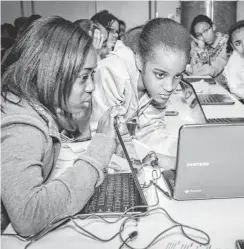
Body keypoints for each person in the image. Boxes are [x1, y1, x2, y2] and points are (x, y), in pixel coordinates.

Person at [1, 17, 122, 235]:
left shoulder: (32, 104)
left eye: (92, 75)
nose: (92, 86)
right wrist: (99, 150)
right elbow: (29, 217)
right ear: (52, 73)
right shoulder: (22, 125)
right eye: (84, 76)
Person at [90, 18, 191, 162]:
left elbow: (150, 129)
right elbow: (102, 141)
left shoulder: (156, 84)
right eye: (160, 74)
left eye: (177, 76)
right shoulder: (112, 73)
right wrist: (166, 161)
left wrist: (182, 150)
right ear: (139, 61)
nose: (169, 87)